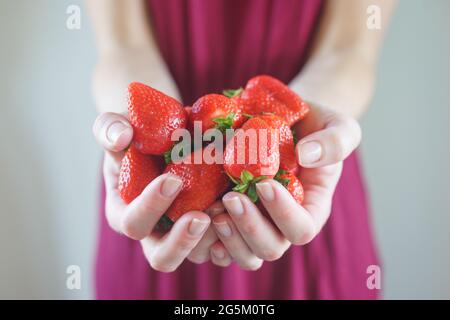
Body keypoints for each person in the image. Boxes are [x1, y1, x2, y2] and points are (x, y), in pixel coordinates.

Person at [88, 0, 396, 299]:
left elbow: (349, 49)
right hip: (155, 196)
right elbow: (123, 46)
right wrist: (138, 131)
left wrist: (303, 122)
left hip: (305, 173)